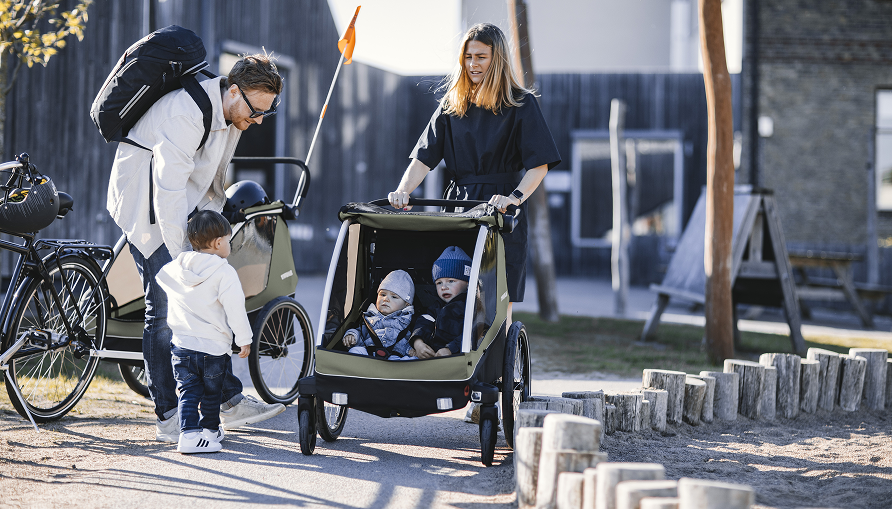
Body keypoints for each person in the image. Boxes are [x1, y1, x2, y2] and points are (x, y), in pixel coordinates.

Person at [106, 54, 286, 442]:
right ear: (233, 91)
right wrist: (181, 261)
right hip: (146, 207)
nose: (258, 121)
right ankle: (169, 417)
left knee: (211, 297)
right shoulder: (185, 113)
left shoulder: (233, 115)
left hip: (182, 208)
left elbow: (213, 180)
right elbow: (167, 190)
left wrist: (213, 236)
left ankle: (228, 402)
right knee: (164, 310)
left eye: (265, 114)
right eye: (256, 111)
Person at [388, 23, 561, 325]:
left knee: (497, 297)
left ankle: (497, 350)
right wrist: (403, 190)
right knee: (454, 288)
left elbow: (539, 165)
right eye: (468, 57)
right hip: (460, 207)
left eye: (481, 57)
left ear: (498, 59)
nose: (473, 64)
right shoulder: (452, 104)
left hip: (502, 209)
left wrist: (514, 198)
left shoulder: (521, 104)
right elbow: (423, 158)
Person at [155, 211, 251, 453]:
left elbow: (161, 277)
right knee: (211, 392)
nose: (229, 244)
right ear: (218, 243)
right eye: (228, 240)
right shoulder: (224, 272)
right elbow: (235, 309)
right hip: (213, 348)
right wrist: (244, 339)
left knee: (188, 391)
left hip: (182, 345)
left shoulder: (177, 267)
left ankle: (191, 433)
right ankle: (206, 432)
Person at [411, 247, 472, 359]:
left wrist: (451, 349)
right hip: (432, 356)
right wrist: (418, 343)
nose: (443, 287)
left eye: (451, 281)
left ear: (468, 283)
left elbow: (474, 332)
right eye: (439, 283)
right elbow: (423, 323)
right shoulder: (436, 307)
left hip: (457, 358)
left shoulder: (471, 307)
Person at [342, 270, 418, 360]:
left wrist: (410, 350)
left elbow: (408, 339)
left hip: (394, 357)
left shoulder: (407, 320)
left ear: (406, 304)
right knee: (354, 351)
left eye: (394, 297)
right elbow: (361, 332)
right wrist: (352, 335)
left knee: (412, 360)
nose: (385, 299)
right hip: (369, 354)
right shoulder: (369, 316)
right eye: (382, 294)